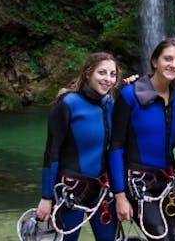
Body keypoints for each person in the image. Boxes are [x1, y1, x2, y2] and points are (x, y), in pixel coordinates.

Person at [108, 38, 175, 241]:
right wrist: (119, 196)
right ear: (154, 61)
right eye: (167, 59)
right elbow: (115, 147)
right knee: (161, 238)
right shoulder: (129, 95)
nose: (173, 65)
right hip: (137, 183)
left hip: (170, 184)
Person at [36, 52, 121, 241]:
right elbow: (52, 152)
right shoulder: (66, 104)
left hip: (101, 189)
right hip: (71, 190)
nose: (107, 79)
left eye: (112, 74)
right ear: (88, 73)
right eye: (102, 73)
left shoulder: (110, 103)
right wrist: (46, 197)